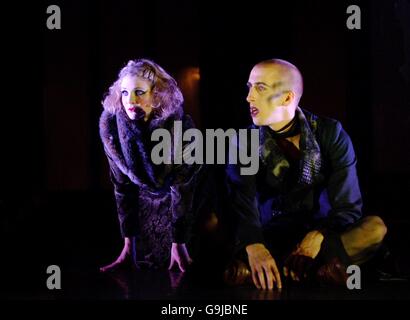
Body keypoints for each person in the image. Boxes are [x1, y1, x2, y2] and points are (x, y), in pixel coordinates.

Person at [225, 58, 388, 290]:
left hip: (321, 238)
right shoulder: (242, 142)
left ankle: (271, 273)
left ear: (287, 97)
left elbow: (348, 206)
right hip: (269, 236)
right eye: (249, 87)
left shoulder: (330, 133)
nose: (249, 97)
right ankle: (312, 272)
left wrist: (319, 235)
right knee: (216, 229)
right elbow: (242, 206)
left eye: (260, 88)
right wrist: (254, 245)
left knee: (374, 229)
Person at [99, 58, 201, 273]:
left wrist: (179, 241)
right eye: (125, 93)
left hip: (189, 208)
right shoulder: (111, 130)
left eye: (139, 92)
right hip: (146, 209)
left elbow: (185, 186)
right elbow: (122, 187)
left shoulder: (182, 127)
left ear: (157, 94)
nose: (131, 100)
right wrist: (128, 246)